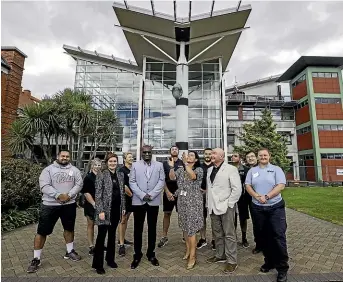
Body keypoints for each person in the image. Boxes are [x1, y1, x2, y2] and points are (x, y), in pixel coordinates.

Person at [27, 150, 83, 273]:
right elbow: (44, 185)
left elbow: (79, 184)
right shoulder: (48, 170)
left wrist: (69, 195)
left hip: (69, 204)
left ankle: (70, 251)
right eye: (63, 156)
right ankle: (36, 258)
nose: (65, 158)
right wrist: (58, 195)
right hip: (49, 205)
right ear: (58, 157)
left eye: (67, 156)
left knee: (69, 229)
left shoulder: (75, 170)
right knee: (42, 232)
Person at [245, 148, 288, 282]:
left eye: (265, 155)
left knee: (278, 235)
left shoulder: (276, 169)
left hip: (275, 207)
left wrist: (267, 196)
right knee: (264, 237)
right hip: (258, 208)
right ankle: (269, 262)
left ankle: (282, 268)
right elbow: (248, 186)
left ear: (269, 156)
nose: (263, 157)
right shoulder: (252, 171)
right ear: (257, 157)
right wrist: (257, 197)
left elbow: (281, 185)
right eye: (260, 155)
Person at [206, 148, 242, 274]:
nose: (211, 155)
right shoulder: (210, 169)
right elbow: (210, 189)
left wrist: (230, 204)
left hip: (226, 206)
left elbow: (237, 189)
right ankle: (220, 255)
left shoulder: (231, 169)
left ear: (222, 156)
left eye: (214, 153)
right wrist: (208, 204)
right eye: (211, 153)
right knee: (217, 233)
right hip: (212, 207)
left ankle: (232, 261)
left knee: (229, 234)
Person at [129, 145, 165, 269]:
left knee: (152, 228)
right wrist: (142, 195)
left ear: (152, 153)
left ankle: (151, 254)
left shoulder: (159, 165)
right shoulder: (135, 165)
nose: (147, 154)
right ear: (141, 153)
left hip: (153, 202)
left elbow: (161, 181)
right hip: (139, 202)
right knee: (138, 229)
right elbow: (132, 182)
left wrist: (152, 194)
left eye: (149, 152)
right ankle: (137, 255)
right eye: (145, 152)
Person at [169, 151, 204, 270]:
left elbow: (193, 176)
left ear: (196, 160)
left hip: (194, 202)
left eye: (191, 156)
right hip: (182, 202)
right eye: (188, 155)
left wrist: (185, 163)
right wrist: (172, 167)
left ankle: (193, 257)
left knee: (191, 229)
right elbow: (172, 177)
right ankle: (188, 250)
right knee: (185, 227)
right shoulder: (181, 170)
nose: (189, 157)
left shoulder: (198, 170)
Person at [92, 153, 126, 275]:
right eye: (110, 161)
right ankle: (97, 264)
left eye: (115, 161)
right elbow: (98, 194)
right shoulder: (102, 174)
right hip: (104, 211)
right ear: (107, 162)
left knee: (112, 235)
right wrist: (100, 210)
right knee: (101, 237)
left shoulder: (120, 175)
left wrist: (123, 208)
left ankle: (110, 259)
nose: (113, 163)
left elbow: (122, 193)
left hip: (116, 210)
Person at [158, 145, 184, 248]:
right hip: (168, 191)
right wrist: (167, 192)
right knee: (167, 214)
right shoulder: (165, 164)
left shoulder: (183, 163)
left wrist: (178, 192)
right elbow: (162, 179)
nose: (174, 150)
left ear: (178, 151)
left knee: (182, 214)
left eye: (176, 149)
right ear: (170, 152)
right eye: (172, 149)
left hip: (180, 192)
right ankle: (164, 237)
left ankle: (185, 236)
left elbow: (184, 179)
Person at [81, 158, 102, 256]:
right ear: (92, 166)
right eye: (96, 165)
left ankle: (100, 244)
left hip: (102, 205)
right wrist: (94, 204)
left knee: (101, 226)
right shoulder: (88, 177)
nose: (98, 167)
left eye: (99, 165)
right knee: (91, 225)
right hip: (91, 205)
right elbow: (86, 192)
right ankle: (91, 246)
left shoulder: (102, 176)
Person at [231, 152, 251, 248]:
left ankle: (244, 238)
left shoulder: (246, 169)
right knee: (232, 218)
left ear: (240, 158)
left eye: (235, 156)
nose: (233, 157)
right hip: (231, 198)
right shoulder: (228, 169)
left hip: (243, 198)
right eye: (232, 156)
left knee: (243, 218)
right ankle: (233, 238)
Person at [118, 152, 134, 257]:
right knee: (123, 220)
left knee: (127, 219)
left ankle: (122, 238)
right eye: (129, 157)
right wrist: (132, 195)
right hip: (125, 199)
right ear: (124, 159)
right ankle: (121, 244)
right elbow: (123, 186)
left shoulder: (134, 169)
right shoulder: (121, 170)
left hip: (133, 199)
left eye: (132, 157)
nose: (131, 158)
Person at [197, 148, 213, 250]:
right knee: (202, 218)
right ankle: (203, 239)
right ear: (203, 155)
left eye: (209, 154)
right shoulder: (199, 167)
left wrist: (208, 191)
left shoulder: (216, 167)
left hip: (213, 196)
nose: (207, 155)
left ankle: (215, 240)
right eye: (206, 154)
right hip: (201, 194)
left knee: (214, 218)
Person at [245, 151, 261, 254]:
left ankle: (268, 244)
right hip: (250, 200)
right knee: (256, 223)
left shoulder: (262, 168)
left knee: (265, 223)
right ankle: (259, 244)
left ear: (256, 158)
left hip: (262, 199)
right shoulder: (246, 170)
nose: (250, 158)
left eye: (252, 156)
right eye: (248, 157)